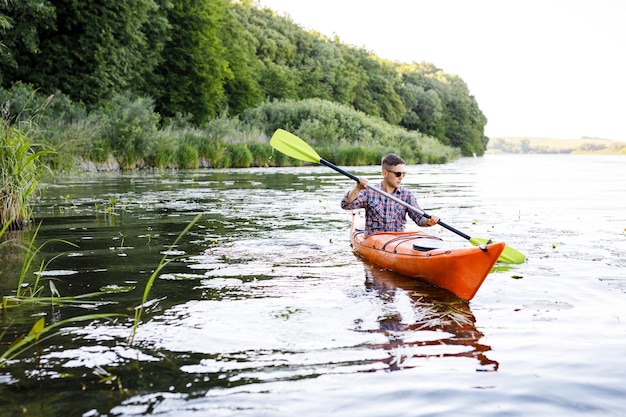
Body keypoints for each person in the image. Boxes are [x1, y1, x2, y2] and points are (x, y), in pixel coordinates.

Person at [341, 154, 440, 236]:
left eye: (403, 174)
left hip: (396, 241)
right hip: (374, 240)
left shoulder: (407, 195)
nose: (401, 178)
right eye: (398, 174)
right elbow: (346, 205)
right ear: (384, 173)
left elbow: (419, 218)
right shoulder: (369, 191)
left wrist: (429, 221)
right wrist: (357, 188)